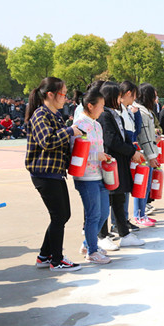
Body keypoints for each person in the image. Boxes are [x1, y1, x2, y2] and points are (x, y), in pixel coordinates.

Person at [26, 77, 83, 271]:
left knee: (62, 215)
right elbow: (47, 141)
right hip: (44, 172)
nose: (65, 98)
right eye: (63, 94)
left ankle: (44, 256)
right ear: (50, 94)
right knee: (59, 216)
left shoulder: (56, 115)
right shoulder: (40, 114)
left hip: (55, 172)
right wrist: (70, 131)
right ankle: (57, 260)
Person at [97, 81, 145, 247]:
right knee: (106, 201)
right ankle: (102, 236)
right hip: (110, 163)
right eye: (118, 95)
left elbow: (122, 136)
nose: (120, 98)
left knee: (118, 199)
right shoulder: (104, 115)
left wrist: (131, 150)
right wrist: (131, 152)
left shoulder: (114, 113)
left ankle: (124, 234)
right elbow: (111, 140)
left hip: (119, 162)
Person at [72, 87, 112, 264]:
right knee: (93, 214)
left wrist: (104, 157)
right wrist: (97, 156)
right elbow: (77, 152)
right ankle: (92, 252)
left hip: (99, 174)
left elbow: (99, 148)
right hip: (86, 177)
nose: (103, 109)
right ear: (90, 105)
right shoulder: (80, 124)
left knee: (103, 212)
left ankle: (88, 243)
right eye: (101, 106)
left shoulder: (97, 125)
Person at [131, 83, 160, 226]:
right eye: (154, 95)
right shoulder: (141, 112)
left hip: (148, 153)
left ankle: (142, 213)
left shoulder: (145, 111)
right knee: (141, 186)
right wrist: (151, 156)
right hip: (144, 155)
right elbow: (144, 137)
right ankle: (138, 215)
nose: (156, 99)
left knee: (146, 186)